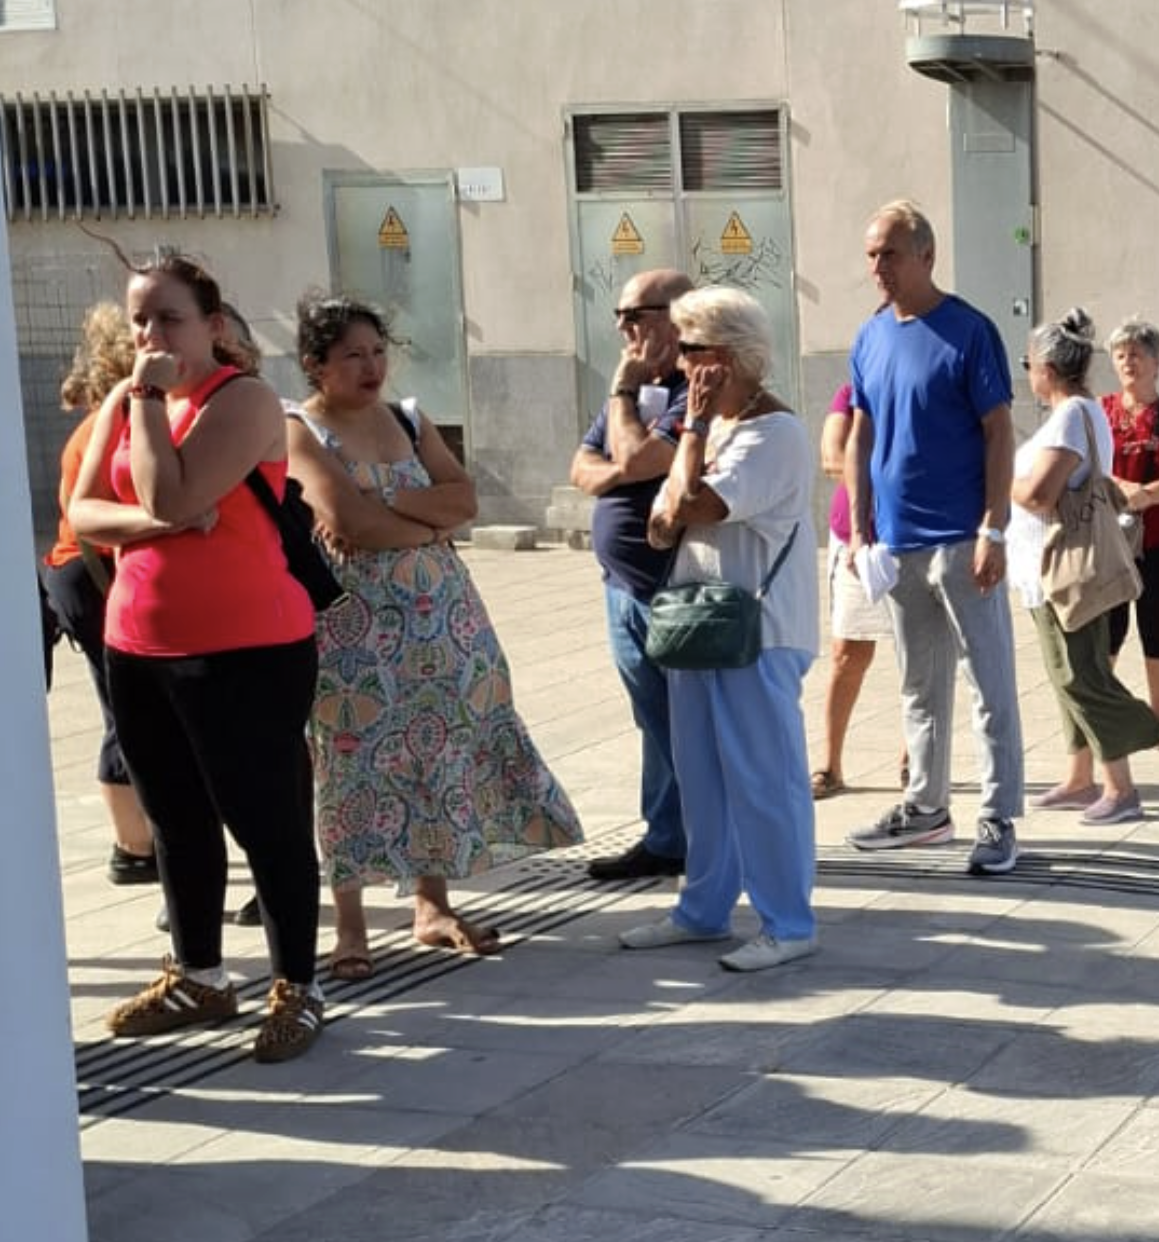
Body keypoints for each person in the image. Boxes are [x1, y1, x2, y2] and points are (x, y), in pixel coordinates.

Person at [69, 252, 326, 1064]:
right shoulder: (123, 397)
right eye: (140, 317)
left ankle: (298, 987)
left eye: (168, 318)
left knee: (267, 819)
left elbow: (168, 489)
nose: (149, 335)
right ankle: (201, 974)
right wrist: (165, 525)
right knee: (175, 820)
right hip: (138, 642)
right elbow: (85, 513)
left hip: (246, 647)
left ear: (213, 325)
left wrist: (149, 415)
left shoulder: (243, 401)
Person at [289, 296, 580, 979]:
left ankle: (433, 904)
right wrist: (422, 521)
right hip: (354, 629)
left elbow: (465, 500)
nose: (371, 367)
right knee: (351, 764)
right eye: (352, 355)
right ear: (315, 365)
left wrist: (386, 506)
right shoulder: (299, 428)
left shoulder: (407, 418)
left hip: (441, 619)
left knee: (436, 751)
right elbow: (346, 523)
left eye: (378, 351)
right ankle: (351, 926)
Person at [618, 286, 821, 972]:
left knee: (765, 779)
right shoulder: (716, 428)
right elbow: (661, 522)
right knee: (702, 776)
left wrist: (694, 432)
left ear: (727, 357)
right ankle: (702, 909)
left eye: (690, 348)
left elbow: (695, 504)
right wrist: (694, 441)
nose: (677, 363)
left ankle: (788, 921)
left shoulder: (774, 432)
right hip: (699, 625)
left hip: (757, 630)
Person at [843, 200, 1024, 877]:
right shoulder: (869, 336)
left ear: (926, 255)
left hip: (960, 538)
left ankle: (999, 815)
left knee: (988, 680)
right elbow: (862, 430)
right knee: (919, 684)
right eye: (870, 255)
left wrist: (994, 527)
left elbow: (999, 431)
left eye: (888, 253)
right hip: (896, 543)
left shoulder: (967, 331)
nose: (876, 268)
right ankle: (925, 807)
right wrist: (860, 525)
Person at [568, 267, 694, 883]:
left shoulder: (692, 387)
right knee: (653, 718)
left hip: (672, 586)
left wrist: (622, 400)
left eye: (636, 315)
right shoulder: (635, 390)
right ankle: (666, 836)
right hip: (622, 586)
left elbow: (641, 455)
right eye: (619, 316)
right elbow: (582, 467)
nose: (623, 328)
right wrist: (623, 468)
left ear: (677, 316)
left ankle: (696, 838)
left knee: (684, 720)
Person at [1016, 312, 1159, 822]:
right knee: (1066, 677)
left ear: (1049, 369)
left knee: (1082, 675)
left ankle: (1121, 786)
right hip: (1051, 570)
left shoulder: (1069, 417)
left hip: (1067, 569)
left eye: (1028, 363)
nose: (1026, 373)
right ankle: (1080, 778)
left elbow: (1039, 495)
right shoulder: (1082, 412)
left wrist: (992, 480)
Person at [40, 303, 160, 884]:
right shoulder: (114, 423)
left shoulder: (100, 421)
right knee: (131, 714)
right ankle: (136, 848)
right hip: (94, 576)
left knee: (125, 711)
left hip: (81, 575)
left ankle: (136, 848)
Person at [1100, 318, 1159, 747]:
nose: (1128, 362)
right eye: (1120, 355)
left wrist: (1146, 496)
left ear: (1157, 362)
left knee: (1156, 622)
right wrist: (1122, 490)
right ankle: (1104, 716)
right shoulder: (1100, 411)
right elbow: (1090, 468)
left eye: (1137, 353)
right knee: (1108, 628)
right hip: (1111, 540)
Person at [812, 380, 894, 798]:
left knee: (917, 657)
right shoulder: (851, 393)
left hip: (912, 539)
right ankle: (831, 765)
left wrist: (864, 460)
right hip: (854, 539)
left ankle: (913, 760)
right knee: (848, 654)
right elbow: (831, 457)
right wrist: (890, 463)